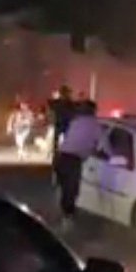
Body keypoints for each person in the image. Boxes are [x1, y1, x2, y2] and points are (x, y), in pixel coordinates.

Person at [53, 100, 100, 231]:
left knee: (65, 187)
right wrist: (111, 155)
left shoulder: (76, 122)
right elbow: (104, 145)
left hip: (61, 157)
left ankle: (64, 214)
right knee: (71, 189)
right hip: (73, 160)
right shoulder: (95, 125)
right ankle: (67, 217)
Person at [48, 85, 75, 153]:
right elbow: (51, 106)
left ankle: (63, 151)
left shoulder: (69, 103)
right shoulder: (60, 102)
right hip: (61, 122)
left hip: (65, 123)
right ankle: (57, 151)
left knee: (65, 138)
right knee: (58, 138)